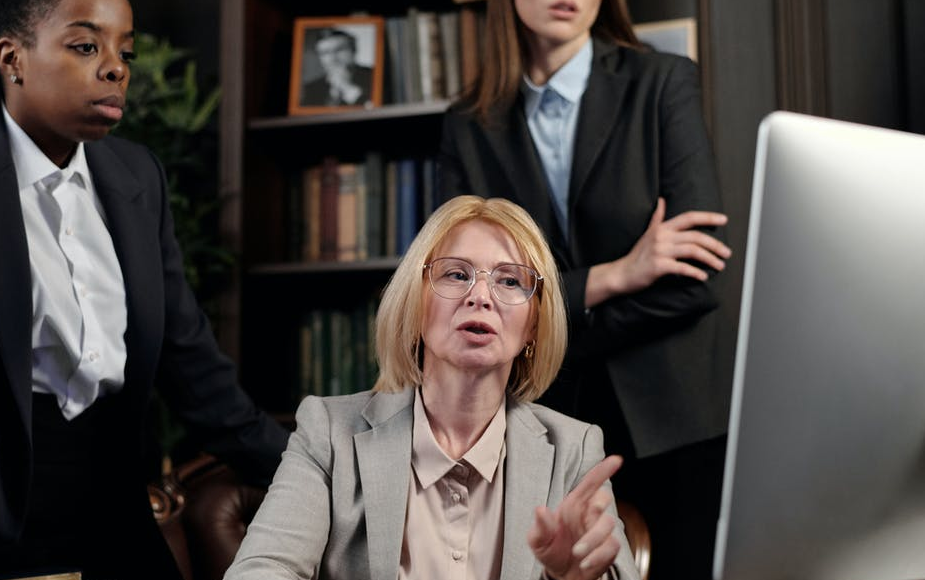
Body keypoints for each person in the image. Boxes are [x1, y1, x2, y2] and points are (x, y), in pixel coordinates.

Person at [0, 0, 288, 577]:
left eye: (125, 50)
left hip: (111, 515)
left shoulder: (137, 176)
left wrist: (326, 474)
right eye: (86, 46)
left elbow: (195, 369)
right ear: (12, 58)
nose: (116, 67)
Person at [436, 1, 732, 579]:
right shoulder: (467, 123)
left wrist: (546, 319)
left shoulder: (663, 83)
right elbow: (463, 289)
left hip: (676, 419)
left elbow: (695, 282)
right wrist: (617, 274)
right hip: (540, 420)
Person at [224, 195, 641, 580]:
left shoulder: (573, 450)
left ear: (533, 324)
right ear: (416, 304)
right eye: (457, 274)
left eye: (511, 281)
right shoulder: (329, 433)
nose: (481, 296)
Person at [300, 28, 373, 107]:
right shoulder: (312, 88)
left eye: (339, 50)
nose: (332, 58)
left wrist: (347, 88)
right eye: (325, 53)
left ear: (354, 50)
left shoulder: (375, 76)